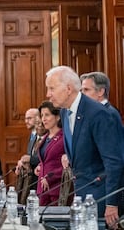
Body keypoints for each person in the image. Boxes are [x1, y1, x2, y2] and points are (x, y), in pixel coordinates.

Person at [45, 66, 124, 227]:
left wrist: (111, 203)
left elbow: (114, 162)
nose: (48, 94)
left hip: (101, 198)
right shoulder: (64, 113)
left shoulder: (99, 113)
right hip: (80, 196)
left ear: (68, 89)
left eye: (51, 88)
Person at [80, 71, 124, 216]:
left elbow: (114, 160)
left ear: (101, 92)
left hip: (104, 187)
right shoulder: (95, 113)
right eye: (81, 90)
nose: (82, 94)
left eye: (86, 90)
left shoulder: (107, 114)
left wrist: (112, 202)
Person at [34, 101, 65, 206]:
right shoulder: (46, 137)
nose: (43, 119)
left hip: (56, 189)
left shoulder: (64, 137)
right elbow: (48, 159)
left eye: (47, 115)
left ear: (57, 117)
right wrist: (40, 166)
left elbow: (69, 163)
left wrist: (51, 176)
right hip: (42, 190)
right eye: (42, 115)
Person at [15, 108, 44, 204]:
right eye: (25, 118)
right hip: (31, 181)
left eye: (29, 118)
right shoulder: (33, 137)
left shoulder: (47, 138)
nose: (26, 121)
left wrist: (30, 159)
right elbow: (29, 155)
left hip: (41, 180)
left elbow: (44, 157)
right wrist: (22, 162)